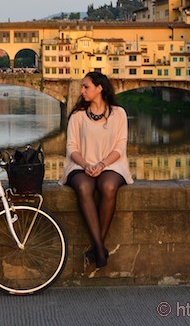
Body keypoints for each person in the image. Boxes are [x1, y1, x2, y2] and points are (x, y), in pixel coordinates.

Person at [59, 71, 133, 268]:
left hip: (112, 164)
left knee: (108, 186)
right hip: (80, 164)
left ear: (99, 88)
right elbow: (71, 148)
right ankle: (100, 250)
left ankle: (96, 248)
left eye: (86, 87)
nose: (81, 90)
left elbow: (120, 147)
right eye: (82, 87)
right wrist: (86, 165)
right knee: (84, 187)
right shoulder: (78, 116)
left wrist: (101, 165)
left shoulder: (119, 114)